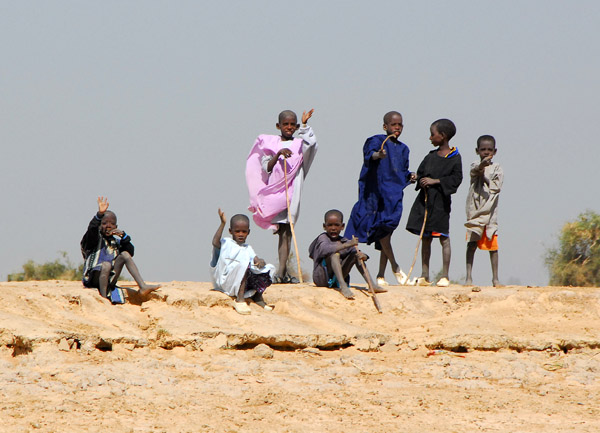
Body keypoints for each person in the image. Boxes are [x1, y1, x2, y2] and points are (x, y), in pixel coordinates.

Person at [246, 109, 317, 283]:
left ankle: (283, 272)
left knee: (288, 231)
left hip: (293, 192)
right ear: (278, 125)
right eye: (286, 124)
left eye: (293, 124)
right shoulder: (271, 144)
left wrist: (306, 125)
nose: (289, 127)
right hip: (276, 194)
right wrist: (278, 155)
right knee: (282, 232)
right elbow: (267, 167)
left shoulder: (299, 145)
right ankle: (282, 272)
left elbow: (312, 145)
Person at [345, 111, 416, 286]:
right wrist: (378, 155)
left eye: (400, 125)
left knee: (387, 233)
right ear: (385, 126)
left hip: (392, 197)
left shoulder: (404, 149)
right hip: (374, 196)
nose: (397, 128)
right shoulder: (376, 141)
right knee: (373, 231)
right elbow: (370, 156)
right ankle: (395, 267)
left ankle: (381, 275)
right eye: (393, 124)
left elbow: (402, 172)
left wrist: (411, 176)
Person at [406, 119, 463, 287]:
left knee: (443, 238)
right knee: (426, 238)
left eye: (433, 134)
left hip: (441, 204)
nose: (430, 138)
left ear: (443, 136)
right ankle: (425, 275)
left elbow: (456, 179)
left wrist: (435, 181)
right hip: (425, 203)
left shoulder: (455, 158)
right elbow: (422, 172)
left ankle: (445, 275)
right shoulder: (430, 156)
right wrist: (417, 178)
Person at [80, 196, 161, 300]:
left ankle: (142, 286)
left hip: (109, 278)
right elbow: (91, 229)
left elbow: (131, 252)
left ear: (116, 226)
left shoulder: (116, 243)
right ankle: (104, 299)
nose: (108, 226)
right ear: (99, 226)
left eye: (112, 224)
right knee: (106, 265)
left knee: (125, 254)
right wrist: (99, 215)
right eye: (104, 223)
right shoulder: (93, 240)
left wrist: (124, 236)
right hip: (93, 278)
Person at [309, 209, 386, 300]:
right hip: (322, 278)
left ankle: (371, 284)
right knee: (334, 255)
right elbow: (325, 250)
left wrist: (363, 256)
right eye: (330, 225)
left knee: (355, 254)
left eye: (337, 225)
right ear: (324, 226)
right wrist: (347, 244)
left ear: (342, 226)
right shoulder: (323, 238)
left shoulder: (343, 240)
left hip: (337, 277)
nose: (333, 228)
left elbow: (357, 251)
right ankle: (343, 286)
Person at [210, 208, 275, 315]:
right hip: (226, 282)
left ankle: (257, 297)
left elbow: (255, 259)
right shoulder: (226, 243)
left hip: (241, 282)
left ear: (248, 232)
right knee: (244, 264)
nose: (241, 234)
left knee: (269, 268)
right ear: (231, 231)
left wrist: (260, 262)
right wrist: (222, 223)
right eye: (237, 231)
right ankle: (240, 299)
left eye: (244, 231)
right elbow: (215, 242)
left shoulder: (247, 248)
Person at [465, 135, 503, 287]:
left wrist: (485, 176)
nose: (486, 152)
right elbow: (474, 172)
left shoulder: (497, 168)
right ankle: (468, 277)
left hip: (490, 212)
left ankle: (495, 279)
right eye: (483, 150)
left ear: (495, 151)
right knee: (472, 243)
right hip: (475, 210)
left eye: (489, 150)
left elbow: (496, 187)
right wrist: (481, 167)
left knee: (493, 246)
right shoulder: (475, 164)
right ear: (477, 151)